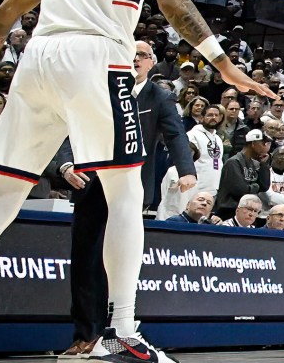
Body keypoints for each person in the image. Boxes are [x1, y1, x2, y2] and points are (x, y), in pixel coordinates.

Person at [0, 0, 279, 363]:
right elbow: (172, 0)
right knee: (125, 194)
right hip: (96, 58)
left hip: (39, 60)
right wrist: (224, 64)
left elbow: (8, 12)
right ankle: (122, 330)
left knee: (0, 206)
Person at [61, 38, 199, 354]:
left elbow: (176, 134)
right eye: (130, 54)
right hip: (91, 183)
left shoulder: (160, 96)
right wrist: (66, 163)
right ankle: (86, 336)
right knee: (86, 259)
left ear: (152, 63)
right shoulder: (99, 88)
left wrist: (186, 170)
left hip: (131, 189)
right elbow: (71, 128)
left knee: (120, 263)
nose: (135, 59)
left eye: (142, 55)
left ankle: (119, 332)